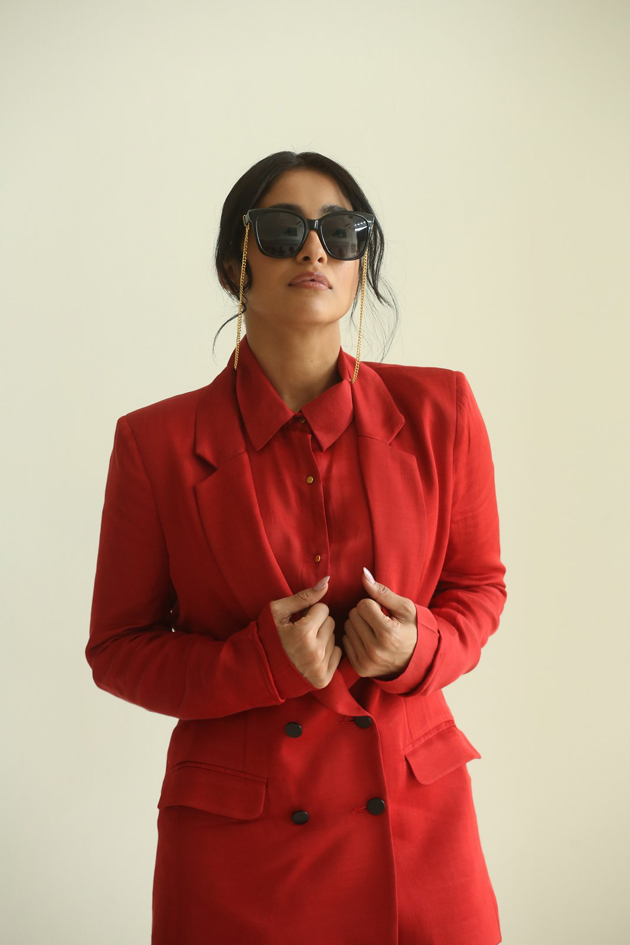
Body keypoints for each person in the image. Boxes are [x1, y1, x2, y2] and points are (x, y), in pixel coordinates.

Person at [86, 150, 507, 945]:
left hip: (418, 835)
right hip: (240, 858)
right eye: (283, 230)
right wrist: (256, 664)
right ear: (233, 263)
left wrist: (419, 647)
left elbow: (479, 587)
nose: (314, 249)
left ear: (359, 262)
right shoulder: (156, 443)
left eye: (341, 233)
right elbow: (117, 648)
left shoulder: (441, 409)